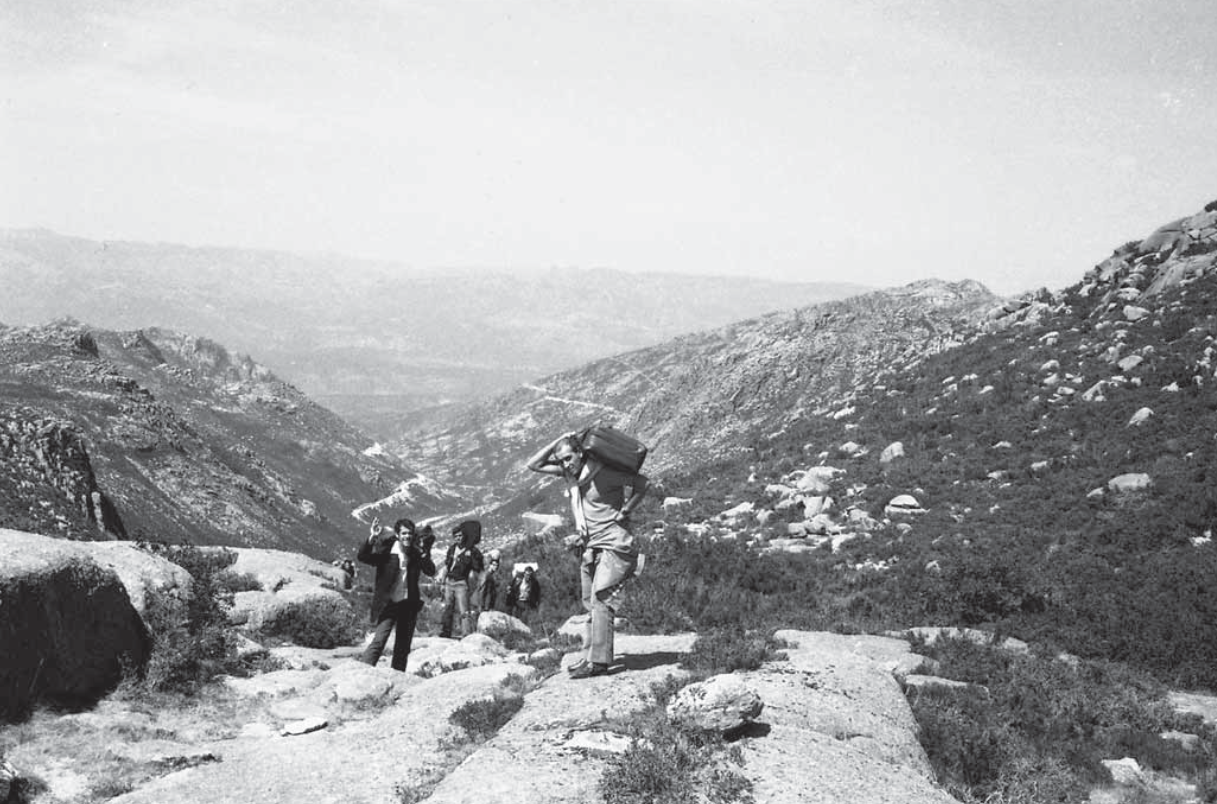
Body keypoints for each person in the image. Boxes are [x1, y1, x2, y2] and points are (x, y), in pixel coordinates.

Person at [526, 431, 648, 679]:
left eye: (569, 458)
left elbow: (643, 484)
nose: (564, 464)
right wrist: (559, 438)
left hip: (615, 543)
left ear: (581, 453)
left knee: (601, 598)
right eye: (561, 460)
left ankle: (599, 662)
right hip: (590, 546)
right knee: (590, 602)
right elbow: (534, 464)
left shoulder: (604, 472)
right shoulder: (571, 475)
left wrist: (626, 510)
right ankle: (590, 656)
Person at [356, 516, 436, 671]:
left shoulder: (415, 553)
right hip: (389, 604)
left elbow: (430, 571)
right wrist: (372, 537)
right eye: (404, 533)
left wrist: (425, 554)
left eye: (410, 534)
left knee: (403, 647)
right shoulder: (387, 552)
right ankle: (361, 673)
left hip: (408, 605)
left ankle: (397, 677)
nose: (407, 536)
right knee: (379, 641)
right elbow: (363, 557)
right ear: (398, 535)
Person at [439, 520, 485, 638]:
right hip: (449, 582)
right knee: (448, 609)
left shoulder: (471, 550)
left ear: (464, 536)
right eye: (456, 536)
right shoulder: (452, 549)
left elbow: (478, 567)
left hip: (461, 583)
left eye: (460, 535)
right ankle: (446, 632)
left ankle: (466, 634)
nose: (458, 538)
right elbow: (447, 565)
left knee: (463, 610)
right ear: (453, 538)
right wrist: (442, 581)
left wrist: (472, 556)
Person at [472, 548, 502, 619]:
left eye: (497, 565)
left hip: (484, 604)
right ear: (490, 564)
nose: (495, 567)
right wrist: (481, 607)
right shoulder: (486, 575)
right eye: (494, 565)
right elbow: (482, 591)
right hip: (480, 604)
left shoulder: (491, 575)